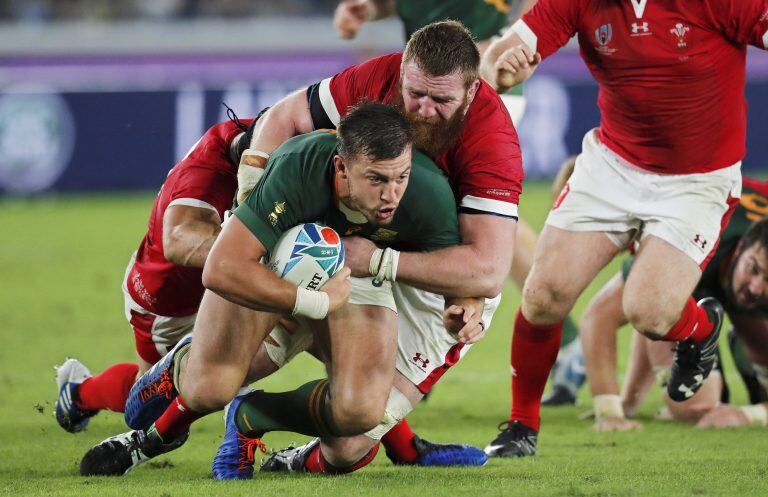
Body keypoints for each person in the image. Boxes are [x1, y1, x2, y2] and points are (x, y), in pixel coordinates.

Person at [79, 102, 488, 477]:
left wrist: (464, 306)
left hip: (356, 272)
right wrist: (314, 302)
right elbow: (222, 267)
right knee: (210, 389)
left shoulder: (427, 193)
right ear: (341, 167)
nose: (392, 194)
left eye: (401, 177)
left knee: (360, 411)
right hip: (270, 263)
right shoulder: (294, 169)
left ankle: (251, 414)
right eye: (377, 179)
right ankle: (167, 394)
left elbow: (460, 278)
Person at [230, 20, 522, 474]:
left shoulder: (493, 139)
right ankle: (114, 405)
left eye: (441, 100)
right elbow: (286, 116)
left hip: (427, 268)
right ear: (403, 71)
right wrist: (249, 188)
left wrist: (390, 265)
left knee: (348, 448)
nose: (423, 111)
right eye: (415, 93)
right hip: (353, 246)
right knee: (234, 361)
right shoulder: (375, 79)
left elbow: (486, 270)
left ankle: (257, 419)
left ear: (470, 91)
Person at [479, 0, 768, 457]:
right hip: (614, 165)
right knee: (543, 294)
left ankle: (700, 326)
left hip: (698, 180)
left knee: (649, 313)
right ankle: (521, 427)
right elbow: (507, 49)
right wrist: (501, 68)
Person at [334, 0, 587, 408]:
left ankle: (561, 335)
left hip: (479, 81)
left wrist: (505, 45)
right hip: (428, 86)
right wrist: (366, 10)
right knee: (428, 198)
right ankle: (413, 335)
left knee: (482, 211)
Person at [54, 110, 253, 433]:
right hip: (164, 303)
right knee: (152, 402)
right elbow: (177, 241)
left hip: (207, 287)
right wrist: (257, 252)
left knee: (231, 367)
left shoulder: (252, 135)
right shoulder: (204, 176)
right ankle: (79, 395)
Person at [580, 177, 768, 430]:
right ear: (742, 246)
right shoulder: (685, 240)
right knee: (694, 406)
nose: (756, 286)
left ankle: (751, 352)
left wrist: (749, 415)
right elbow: (601, 316)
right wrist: (614, 409)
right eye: (753, 268)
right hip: (695, 253)